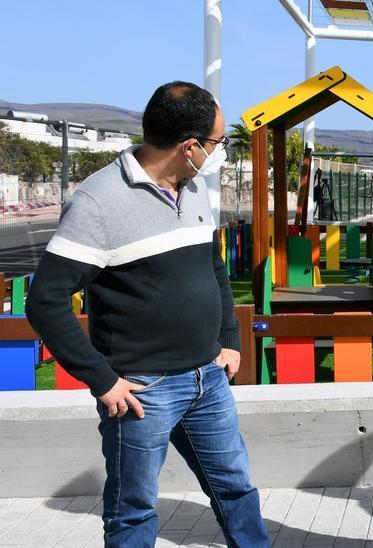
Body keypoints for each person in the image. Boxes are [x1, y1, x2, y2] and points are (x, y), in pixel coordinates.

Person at [26, 82, 269, 547]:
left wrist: (229, 341)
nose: (220, 152)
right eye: (218, 142)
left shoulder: (194, 188)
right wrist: (102, 379)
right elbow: (45, 300)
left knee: (237, 492)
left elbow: (212, 267)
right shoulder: (98, 202)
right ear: (190, 146)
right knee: (133, 513)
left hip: (208, 379)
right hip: (141, 390)